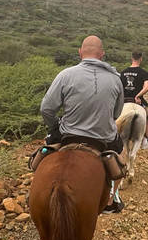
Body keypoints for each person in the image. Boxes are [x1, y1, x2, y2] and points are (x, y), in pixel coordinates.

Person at [40, 35, 126, 213]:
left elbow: (46, 109)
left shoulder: (65, 75)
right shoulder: (115, 79)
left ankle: (36, 186)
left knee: (43, 153)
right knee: (121, 156)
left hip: (68, 134)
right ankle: (111, 199)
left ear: (80, 53)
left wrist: (56, 126)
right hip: (104, 137)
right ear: (102, 54)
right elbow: (116, 114)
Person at [120, 51, 148, 148]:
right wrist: (137, 96)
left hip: (124, 100)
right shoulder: (143, 73)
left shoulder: (123, 72)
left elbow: (119, 88)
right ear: (141, 59)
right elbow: (146, 88)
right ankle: (146, 139)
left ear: (131, 58)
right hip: (137, 101)